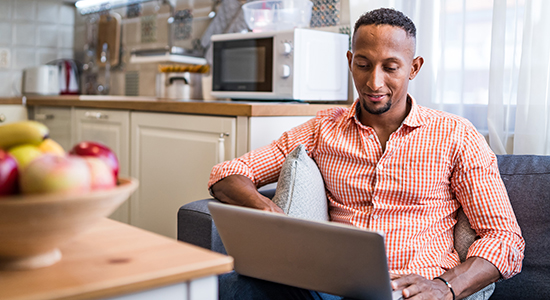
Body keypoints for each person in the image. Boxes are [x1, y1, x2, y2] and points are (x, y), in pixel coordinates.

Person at [208, 8, 525, 300]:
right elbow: (227, 174)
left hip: (413, 289)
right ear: (350, 61)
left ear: (414, 68)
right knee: (221, 286)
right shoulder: (323, 129)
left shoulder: (456, 134)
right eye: (363, 65)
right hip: (329, 284)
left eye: (390, 67)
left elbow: (505, 239)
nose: (374, 82)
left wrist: (445, 286)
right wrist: (266, 211)